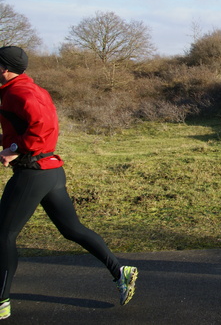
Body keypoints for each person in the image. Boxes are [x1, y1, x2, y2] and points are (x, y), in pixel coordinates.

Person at [0, 46, 138, 320]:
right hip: (50, 171)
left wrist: (16, 147)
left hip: (33, 173)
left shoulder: (21, 92)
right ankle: (120, 271)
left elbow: (44, 126)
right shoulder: (26, 88)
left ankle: (1, 301)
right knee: (72, 229)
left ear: (4, 68)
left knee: (3, 235)